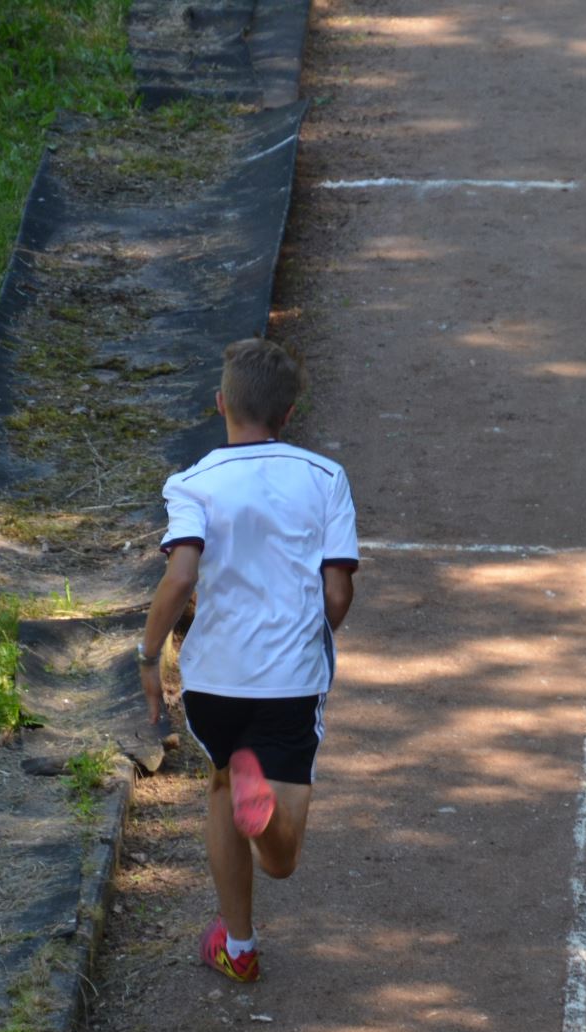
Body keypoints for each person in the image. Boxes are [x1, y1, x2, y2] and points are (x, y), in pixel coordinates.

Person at [138, 338, 358, 983]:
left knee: (224, 780)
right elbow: (338, 592)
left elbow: (180, 578)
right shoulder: (324, 478)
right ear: (289, 414)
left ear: (220, 404)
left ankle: (237, 947)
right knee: (280, 857)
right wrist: (314, 630)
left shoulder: (191, 483)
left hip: (213, 684)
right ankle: (261, 818)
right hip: (289, 682)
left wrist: (150, 657)